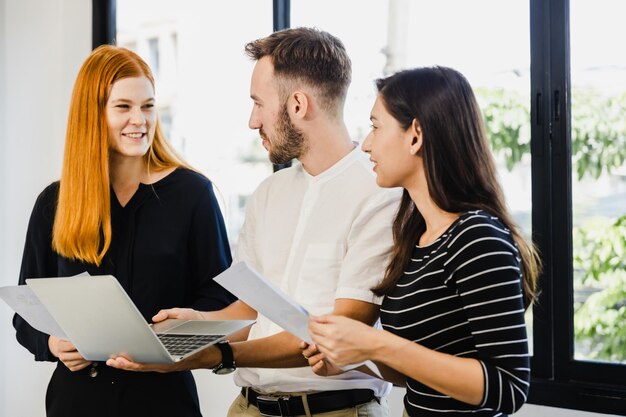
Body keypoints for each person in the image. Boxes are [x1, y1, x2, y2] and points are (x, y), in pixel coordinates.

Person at [107, 27, 400, 417]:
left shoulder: (378, 193)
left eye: (258, 103)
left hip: (335, 411)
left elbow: (339, 338)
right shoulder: (268, 194)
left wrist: (214, 355)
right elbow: (250, 313)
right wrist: (200, 323)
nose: (252, 120)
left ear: (297, 105)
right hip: (247, 408)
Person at [302, 66, 541, 417]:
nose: (366, 144)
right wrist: (357, 358)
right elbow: (418, 373)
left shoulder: (477, 237)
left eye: (375, 126)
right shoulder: (416, 238)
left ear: (415, 134)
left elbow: (508, 387)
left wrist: (377, 342)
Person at [13, 45, 236, 417]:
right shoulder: (54, 202)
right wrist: (51, 343)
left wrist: (188, 322)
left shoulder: (193, 194)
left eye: (148, 106)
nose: (140, 120)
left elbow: (222, 302)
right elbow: (27, 313)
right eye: (123, 107)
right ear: (93, 114)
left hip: (164, 401)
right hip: (77, 403)